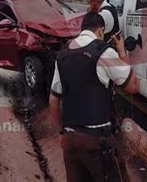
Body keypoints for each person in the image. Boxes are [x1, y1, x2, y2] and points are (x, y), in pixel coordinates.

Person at [49, 12, 139, 181]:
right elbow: (132, 85)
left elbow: (53, 102)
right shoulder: (103, 52)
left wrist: (62, 133)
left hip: (70, 142)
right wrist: (121, 51)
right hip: (97, 142)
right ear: (100, 31)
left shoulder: (63, 54)